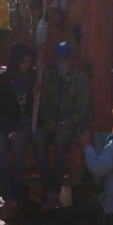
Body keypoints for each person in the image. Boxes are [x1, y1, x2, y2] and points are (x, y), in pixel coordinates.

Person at [33, 41, 89, 212]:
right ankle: (48, 186)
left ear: (70, 60)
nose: (62, 62)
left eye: (65, 59)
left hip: (69, 124)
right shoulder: (48, 77)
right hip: (50, 122)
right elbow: (42, 105)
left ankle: (54, 190)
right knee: (38, 139)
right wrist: (49, 121)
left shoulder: (80, 80)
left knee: (60, 141)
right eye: (59, 59)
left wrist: (62, 124)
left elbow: (81, 111)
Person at [0, 43, 37, 218]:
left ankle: (15, 195)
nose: (27, 65)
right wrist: (9, 131)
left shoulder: (34, 78)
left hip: (26, 124)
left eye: (29, 62)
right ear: (15, 61)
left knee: (17, 148)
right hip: (6, 125)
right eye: (23, 62)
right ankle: (8, 199)